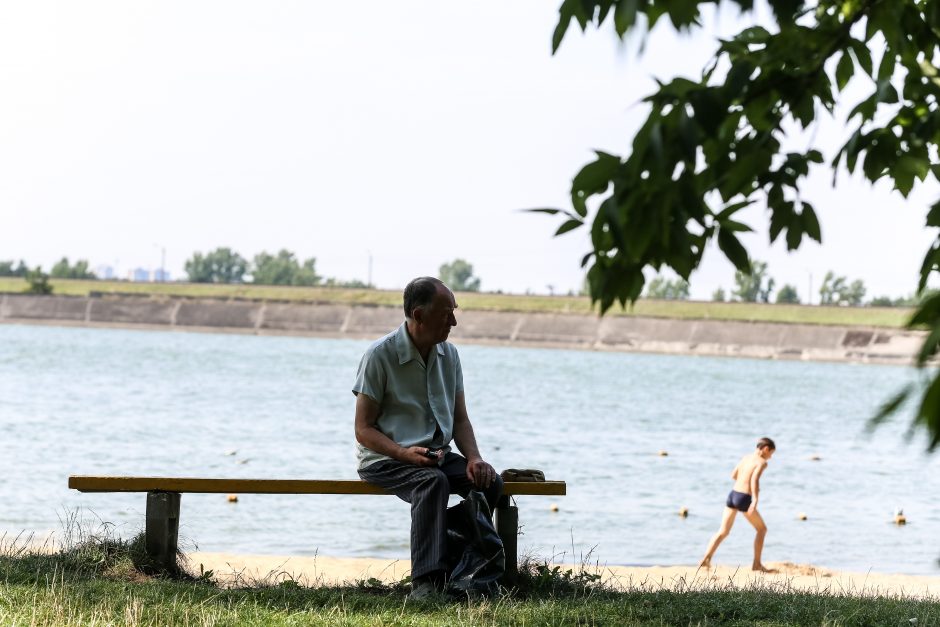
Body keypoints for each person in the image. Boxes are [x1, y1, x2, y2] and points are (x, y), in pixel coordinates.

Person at [353, 276, 503, 599]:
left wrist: (475, 458)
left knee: (489, 481)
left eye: (454, 311)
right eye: (446, 312)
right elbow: (363, 430)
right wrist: (404, 454)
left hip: (435, 455)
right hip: (385, 458)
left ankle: (464, 569)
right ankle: (426, 584)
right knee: (433, 483)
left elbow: (460, 420)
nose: (454, 321)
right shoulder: (379, 356)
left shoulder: (451, 356)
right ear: (418, 315)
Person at [699, 437, 776, 572]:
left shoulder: (746, 458)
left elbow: (734, 475)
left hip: (733, 494)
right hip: (744, 497)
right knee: (762, 530)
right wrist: (755, 499)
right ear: (766, 449)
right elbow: (755, 479)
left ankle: (706, 559)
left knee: (723, 531)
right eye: (771, 453)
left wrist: (742, 481)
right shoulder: (762, 462)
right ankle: (756, 564)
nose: (770, 457)